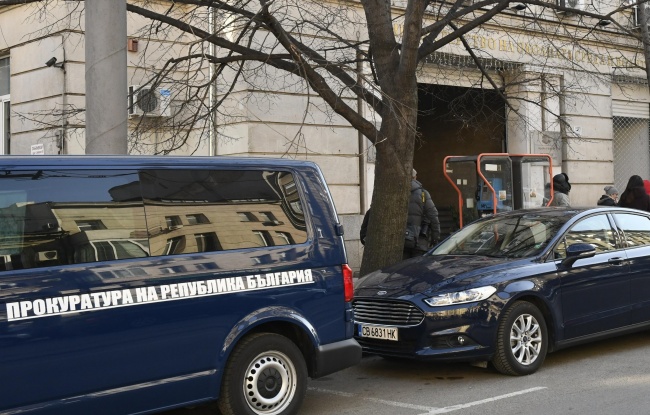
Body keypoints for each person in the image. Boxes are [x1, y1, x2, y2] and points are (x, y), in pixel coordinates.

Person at [404, 168, 440, 259]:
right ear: (415, 177)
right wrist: (435, 238)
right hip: (419, 241)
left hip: (402, 241)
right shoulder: (423, 193)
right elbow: (433, 216)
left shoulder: (395, 192)